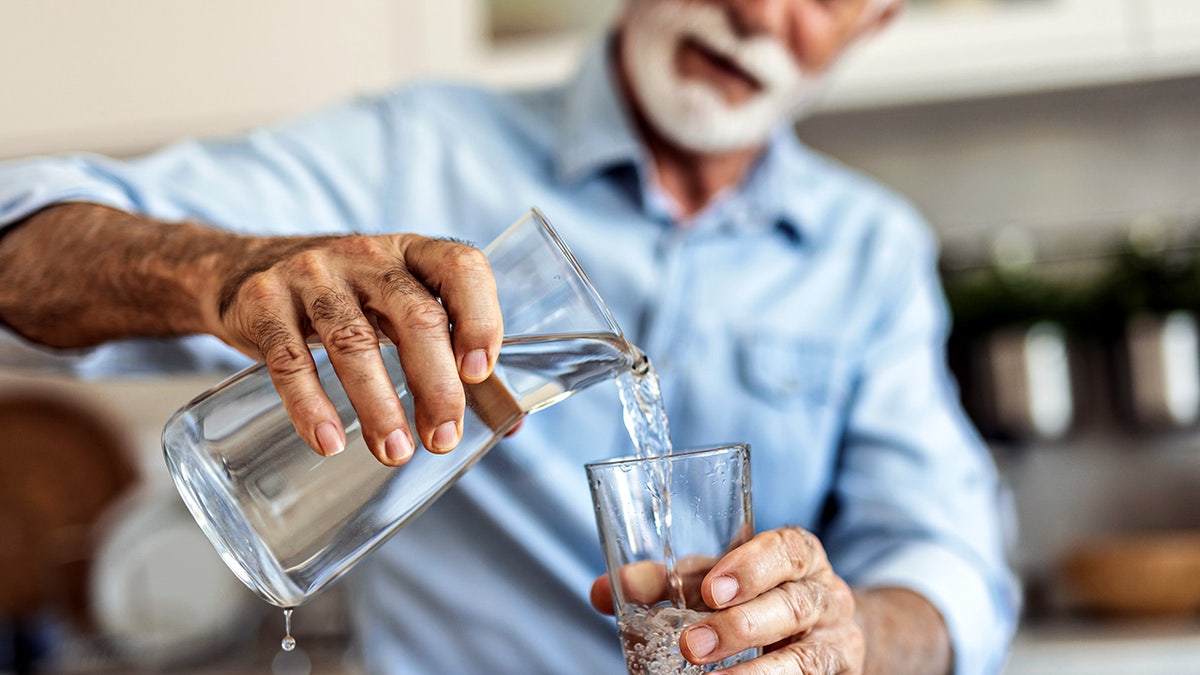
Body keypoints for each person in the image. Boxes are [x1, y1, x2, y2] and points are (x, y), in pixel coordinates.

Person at [0, 0, 1019, 672]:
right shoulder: (413, 153)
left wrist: (852, 636)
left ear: (877, 18)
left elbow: (948, 556)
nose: (758, 10)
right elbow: (22, 236)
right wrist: (223, 270)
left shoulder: (871, 249)